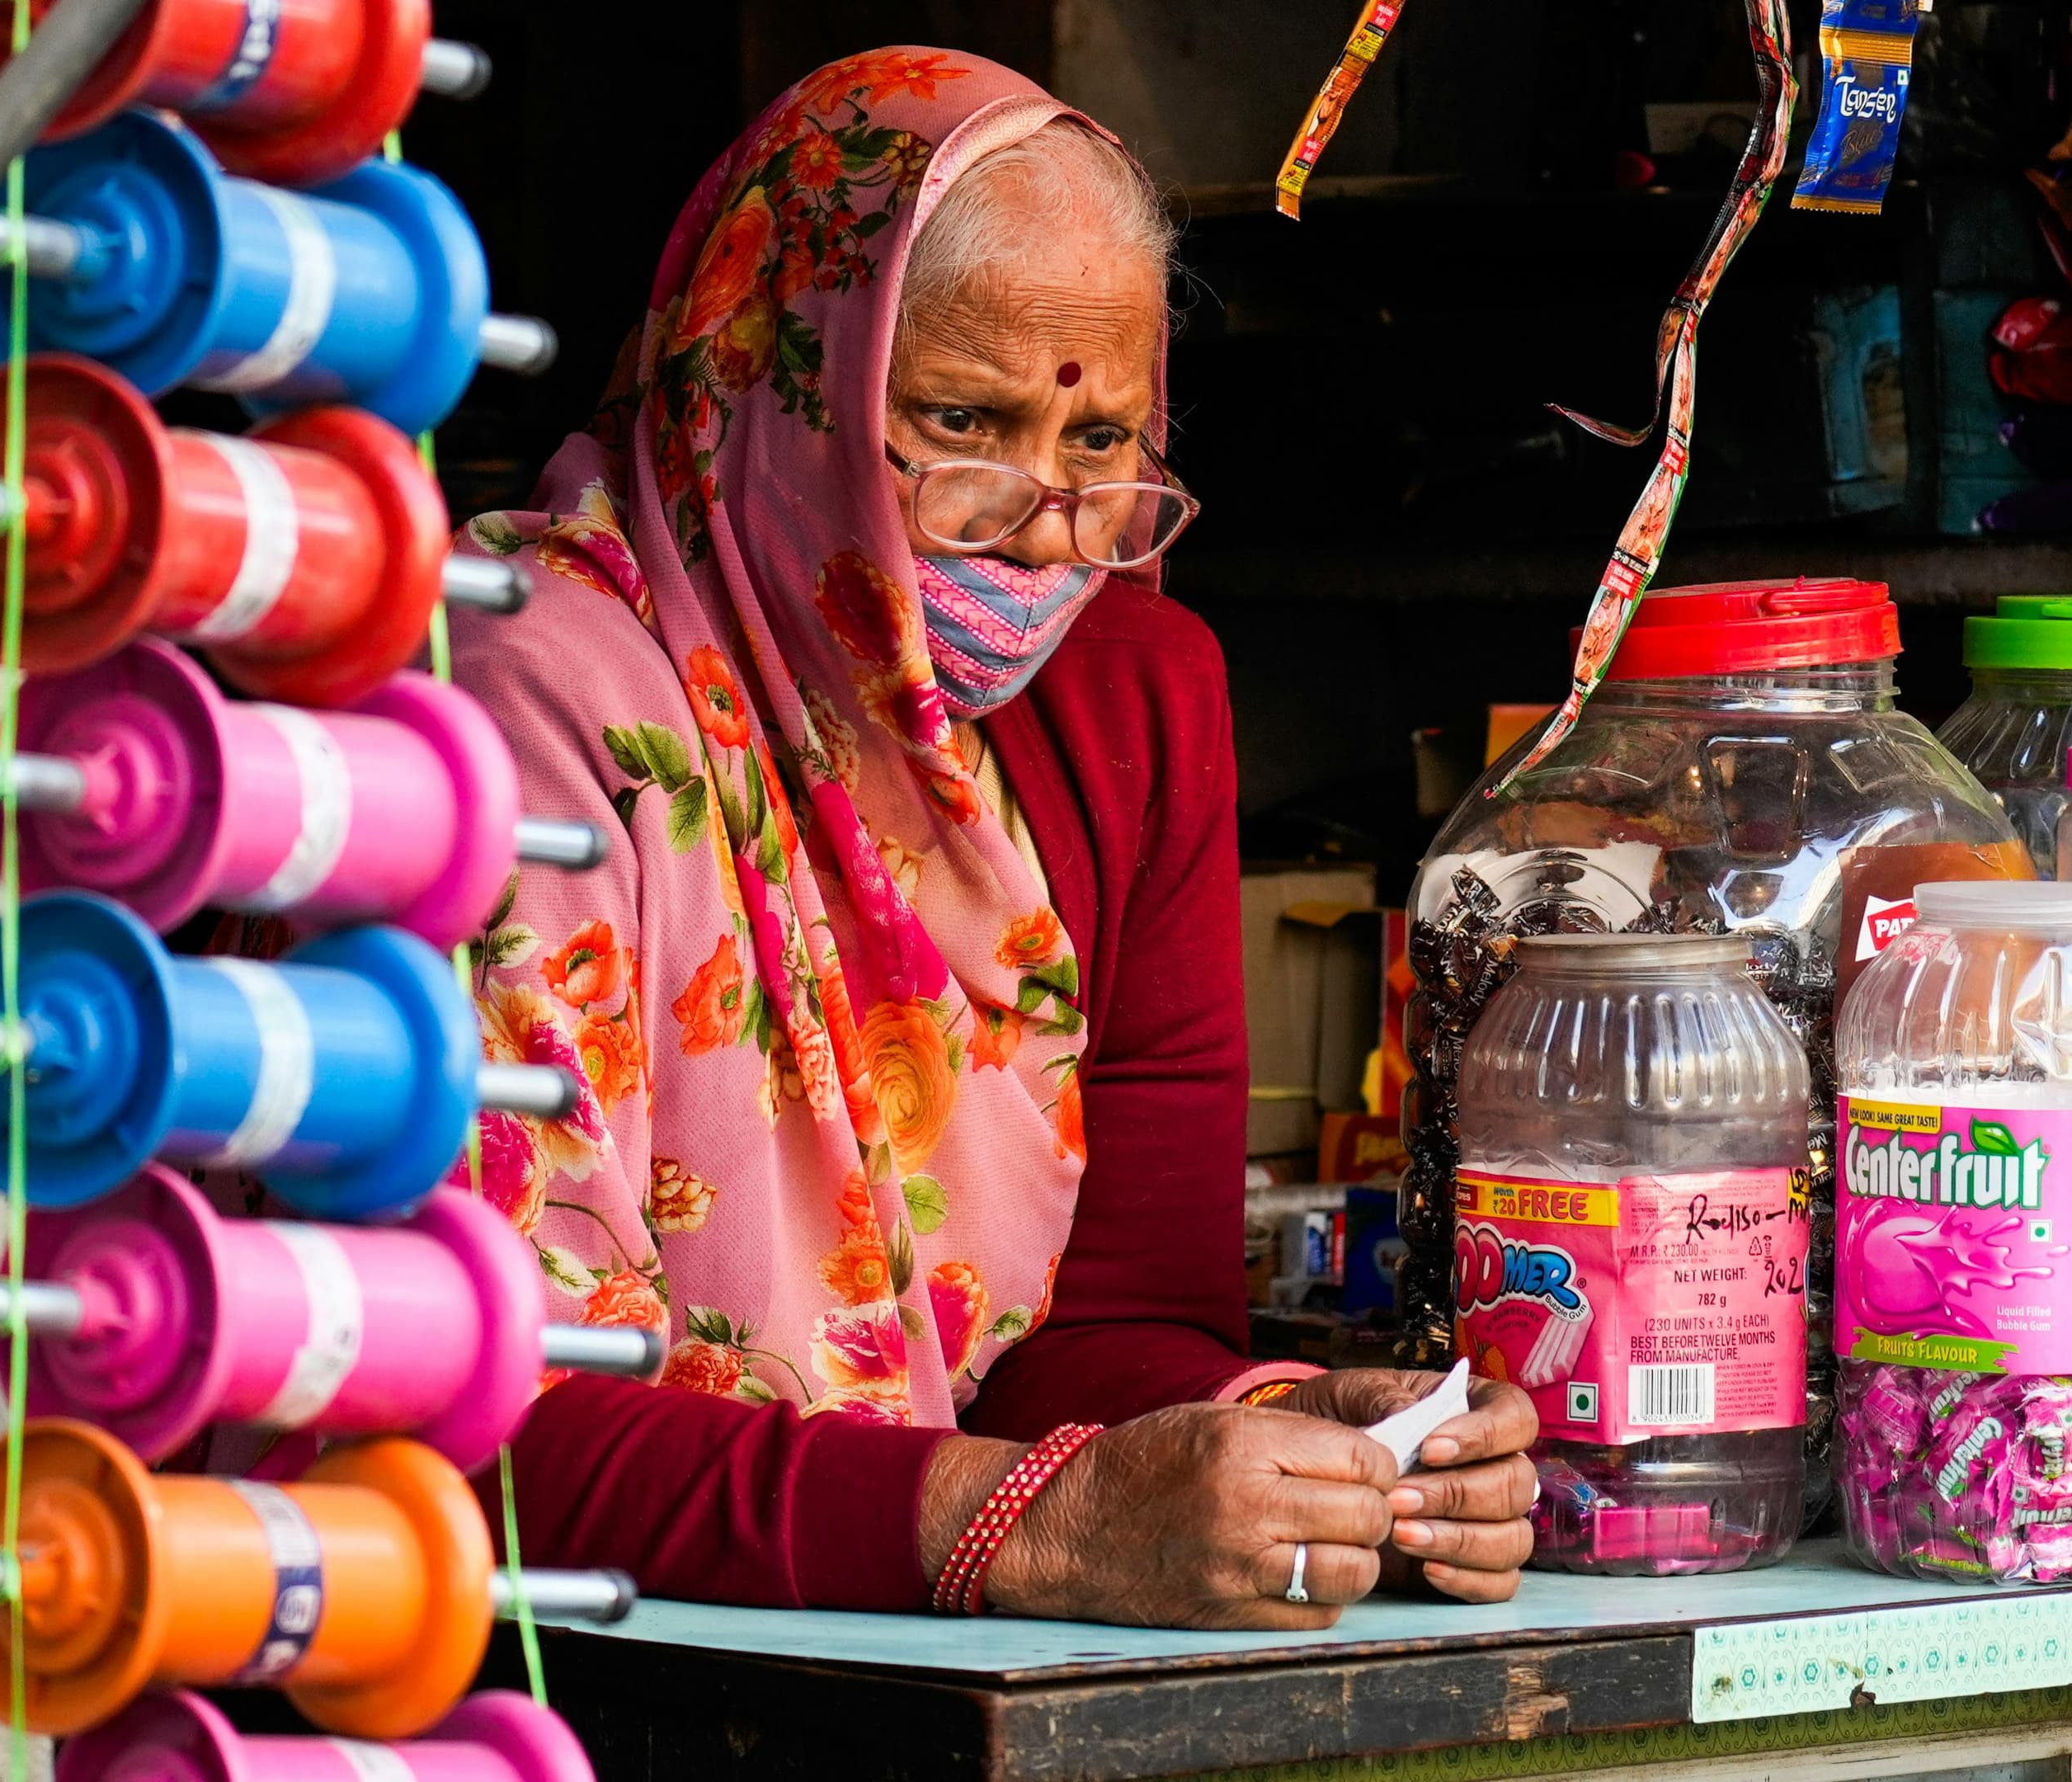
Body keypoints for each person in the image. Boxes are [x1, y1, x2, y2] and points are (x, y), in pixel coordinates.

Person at [450, 48, 1534, 1627]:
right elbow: (472, 1422)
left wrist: (1287, 1430)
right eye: (963, 423)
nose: (1043, 530)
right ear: (770, 375)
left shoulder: (1131, 702)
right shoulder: (524, 709)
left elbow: (1102, 1328)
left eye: (1103, 448)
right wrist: (1023, 1526)